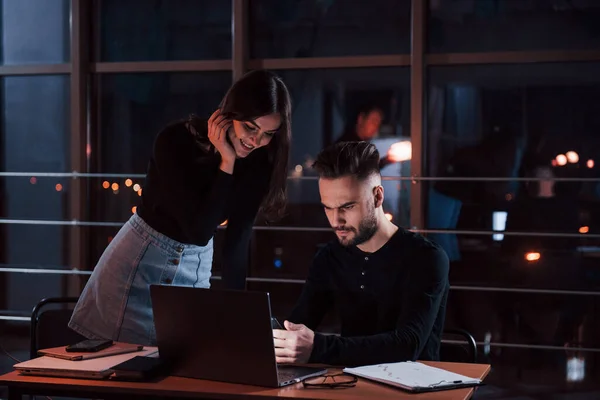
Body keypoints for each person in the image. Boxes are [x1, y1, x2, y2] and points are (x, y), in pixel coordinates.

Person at [69, 70, 292, 346]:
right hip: (139, 268)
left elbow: (236, 242)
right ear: (230, 113)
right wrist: (226, 163)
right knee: (121, 375)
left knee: (186, 372)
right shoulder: (174, 141)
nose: (256, 141)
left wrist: (239, 313)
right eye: (250, 127)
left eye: (268, 134)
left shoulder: (259, 163)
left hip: (194, 269)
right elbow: (198, 229)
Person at [273, 141, 449, 367]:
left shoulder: (426, 258)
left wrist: (318, 348)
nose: (336, 220)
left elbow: (408, 344)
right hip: (349, 384)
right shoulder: (330, 258)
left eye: (347, 207)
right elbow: (297, 323)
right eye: (328, 207)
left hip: (415, 390)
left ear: (377, 197)